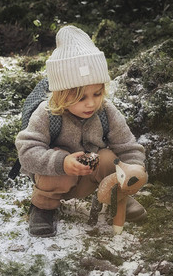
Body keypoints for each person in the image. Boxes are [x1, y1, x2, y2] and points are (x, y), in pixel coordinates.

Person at [15, 25, 147, 237]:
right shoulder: (47, 114)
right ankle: (43, 207)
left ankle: (119, 196)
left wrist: (134, 170)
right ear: (59, 94)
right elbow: (27, 152)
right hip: (56, 179)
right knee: (56, 167)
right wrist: (62, 163)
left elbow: (127, 146)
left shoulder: (106, 111)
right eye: (81, 97)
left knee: (108, 159)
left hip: (91, 176)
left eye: (96, 93)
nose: (91, 103)